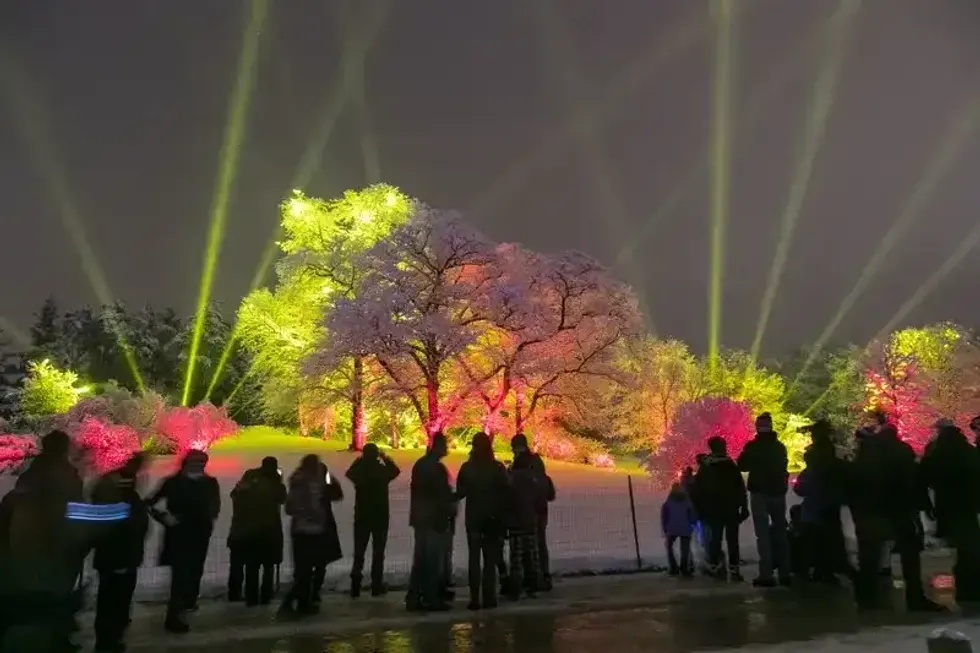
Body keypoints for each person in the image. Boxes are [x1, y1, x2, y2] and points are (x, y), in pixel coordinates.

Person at [0, 430, 85, 651]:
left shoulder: (32, 474)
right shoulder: (64, 477)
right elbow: (72, 513)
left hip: (28, 550)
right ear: (63, 449)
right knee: (51, 600)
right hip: (54, 552)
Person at [848, 413, 942, 612]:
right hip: (899, 510)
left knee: (869, 557)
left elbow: (855, 482)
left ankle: (867, 599)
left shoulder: (865, 455)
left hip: (871, 511)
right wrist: (922, 505)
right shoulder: (902, 451)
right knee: (910, 555)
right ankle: (915, 597)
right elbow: (913, 481)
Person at [147, 449, 221, 633]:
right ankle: (175, 616)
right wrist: (165, 518)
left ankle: (186, 605)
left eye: (202, 462)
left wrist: (209, 518)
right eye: (195, 462)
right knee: (180, 576)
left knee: (193, 571)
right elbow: (150, 502)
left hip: (199, 533)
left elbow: (215, 505)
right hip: (179, 534)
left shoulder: (209, 483)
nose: (199, 466)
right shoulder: (172, 483)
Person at [90, 453, 150, 652]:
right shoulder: (127, 502)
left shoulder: (112, 495)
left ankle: (108, 637)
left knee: (109, 600)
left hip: (113, 559)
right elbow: (132, 530)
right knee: (115, 601)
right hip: (121, 559)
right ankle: (110, 640)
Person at [920, 420, 980, 605]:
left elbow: (924, 478)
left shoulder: (937, 455)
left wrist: (926, 505)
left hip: (947, 506)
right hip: (967, 506)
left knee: (962, 544)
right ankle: (970, 586)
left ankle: (965, 585)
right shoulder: (969, 454)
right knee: (970, 546)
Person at [282, 455, 343, 617]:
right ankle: (293, 602)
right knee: (306, 570)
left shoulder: (311, 481)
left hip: (310, 530)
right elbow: (291, 507)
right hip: (308, 531)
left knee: (307, 569)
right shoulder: (303, 483)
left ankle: (303, 602)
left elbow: (336, 494)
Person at [456, 432, 510, 610]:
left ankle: (474, 598)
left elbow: (461, 491)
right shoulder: (497, 468)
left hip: (474, 518)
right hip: (492, 519)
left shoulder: (466, 468)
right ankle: (489, 597)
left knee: (474, 559)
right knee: (489, 559)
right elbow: (506, 492)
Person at [737, 412, 791, 587]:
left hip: (759, 492)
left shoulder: (753, 447)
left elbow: (742, 465)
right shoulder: (779, 447)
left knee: (763, 535)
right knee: (780, 533)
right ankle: (785, 572)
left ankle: (766, 574)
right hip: (778, 492)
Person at [227, 456, 286, 606]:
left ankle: (252, 596)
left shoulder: (251, 478)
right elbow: (282, 498)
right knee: (267, 565)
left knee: (253, 565)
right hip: (267, 529)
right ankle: (265, 595)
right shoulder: (273, 481)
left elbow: (235, 495)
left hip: (252, 528)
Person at [406, 432, 454, 612]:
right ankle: (430, 597)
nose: (447, 449)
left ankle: (414, 595)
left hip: (420, 517)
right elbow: (441, 495)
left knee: (420, 559)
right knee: (432, 560)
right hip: (434, 519)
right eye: (445, 445)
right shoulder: (436, 468)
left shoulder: (420, 465)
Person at [345, 443, 400, 598]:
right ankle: (376, 584)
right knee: (378, 552)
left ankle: (355, 585)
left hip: (362, 515)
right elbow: (395, 471)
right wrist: (385, 457)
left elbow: (349, 473)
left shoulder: (360, 471)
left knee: (359, 551)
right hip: (380, 515)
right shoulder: (381, 471)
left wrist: (359, 460)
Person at [692, 436, 748, 581]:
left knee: (715, 539)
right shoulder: (730, 465)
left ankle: (716, 565)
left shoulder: (706, 467)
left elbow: (697, 489)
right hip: (730, 508)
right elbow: (740, 487)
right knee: (732, 540)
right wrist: (743, 506)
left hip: (713, 509)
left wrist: (699, 508)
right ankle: (734, 568)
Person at [507, 436, 546, 599]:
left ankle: (520, 585)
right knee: (533, 552)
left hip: (520, 518)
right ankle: (534, 583)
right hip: (531, 517)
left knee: (519, 555)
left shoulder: (514, 474)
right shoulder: (533, 468)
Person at [661, 482, 696, 577]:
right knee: (685, 549)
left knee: (669, 546)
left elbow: (664, 516)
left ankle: (673, 567)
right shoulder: (687, 501)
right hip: (685, 528)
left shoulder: (669, 501)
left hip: (672, 528)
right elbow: (692, 514)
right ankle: (684, 568)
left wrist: (665, 528)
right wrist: (692, 524)